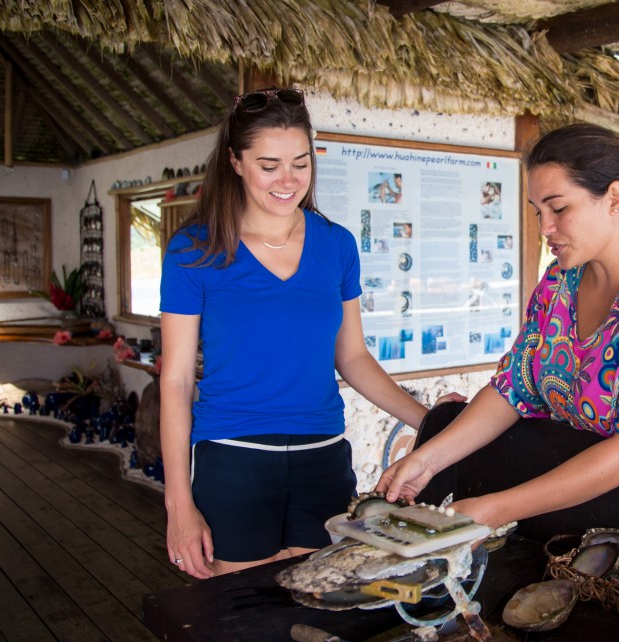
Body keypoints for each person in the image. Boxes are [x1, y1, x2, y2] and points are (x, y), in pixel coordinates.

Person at [376, 123, 619, 532]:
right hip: (604, 510)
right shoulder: (559, 282)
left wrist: (497, 509)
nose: (545, 228)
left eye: (559, 208)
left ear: (614, 198)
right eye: (539, 211)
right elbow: (513, 389)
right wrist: (426, 460)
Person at [160, 87, 462, 579]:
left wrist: (432, 424)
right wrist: (178, 503)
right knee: (240, 614)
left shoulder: (336, 245)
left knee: (319, 601)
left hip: (322, 456)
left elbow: (354, 358)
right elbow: (174, 380)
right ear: (236, 162)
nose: (288, 180)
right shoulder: (194, 249)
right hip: (232, 458)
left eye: (300, 163)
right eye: (269, 164)